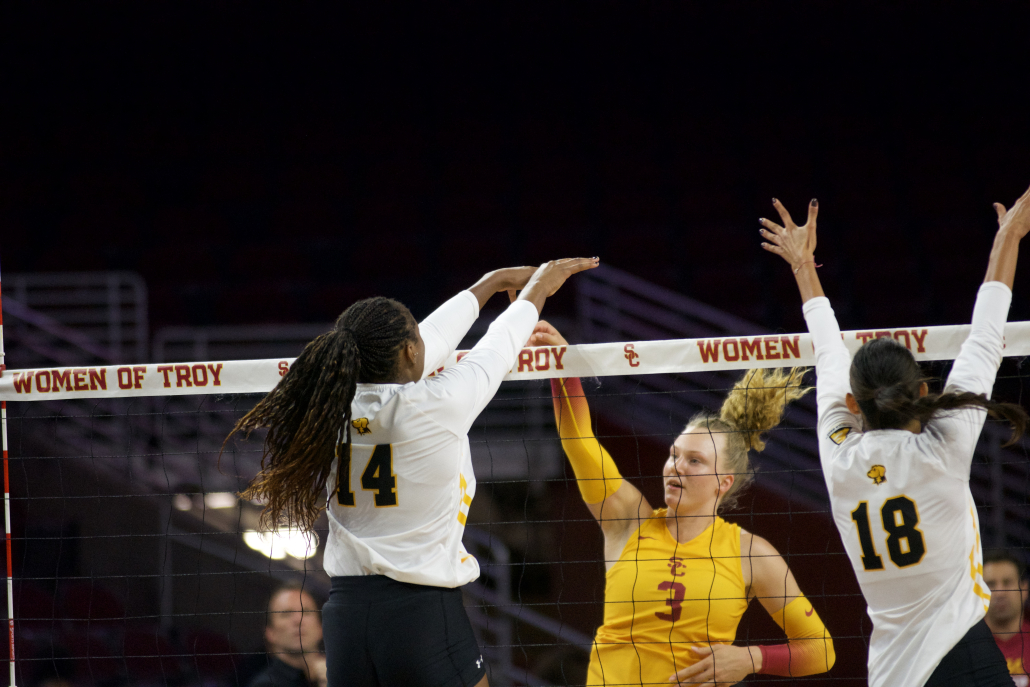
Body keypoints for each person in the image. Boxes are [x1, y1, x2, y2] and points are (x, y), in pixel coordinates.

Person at [227, 258, 598, 687]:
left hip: (346, 614)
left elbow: (434, 340)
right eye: (416, 337)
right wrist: (540, 289)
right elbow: (500, 343)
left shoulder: (328, 406)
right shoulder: (434, 406)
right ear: (407, 351)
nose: (425, 340)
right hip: (419, 613)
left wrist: (491, 283)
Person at [760, 186, 1030, 687]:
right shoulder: (943, 446)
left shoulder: (839, 456)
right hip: (963, 660)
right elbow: (987, 336)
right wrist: (1009, 236)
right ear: (924, 391)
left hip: (891, 673)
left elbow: (828, 354)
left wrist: (802, 265)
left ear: (853, 406)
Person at [529, 322, 836, 686]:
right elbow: (578, 440)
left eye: (695, 461)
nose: (676, 467)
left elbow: (821, 650)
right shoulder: (628, 519)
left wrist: (751, 658)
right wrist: (562, 367)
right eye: (674, 455)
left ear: (724, 483)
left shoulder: (751, 554)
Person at [248, 584, 327, 687]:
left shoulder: (343, 672)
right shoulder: (265, 684)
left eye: (306, 612)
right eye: (286, 614)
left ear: (320, 627)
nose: (298, 620)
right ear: (270, 632)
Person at [983, 549, 1030, 685]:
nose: (1000, 592)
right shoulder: (962, 649)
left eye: (1007, 582)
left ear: (1024, 588)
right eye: (991, 584)